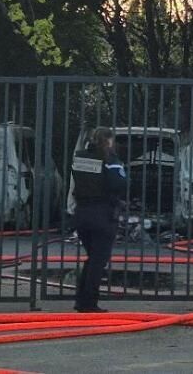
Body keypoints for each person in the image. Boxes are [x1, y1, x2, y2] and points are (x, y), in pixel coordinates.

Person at [70, 127, 126, 312]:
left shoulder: (80, 158)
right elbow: (120, 183)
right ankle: (89, 302)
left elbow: (78, 180)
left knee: (93, 258)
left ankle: (81, 300)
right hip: (102, 214)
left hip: (82, 213)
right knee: (98, 260)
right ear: (109, 140)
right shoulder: (110, 160)